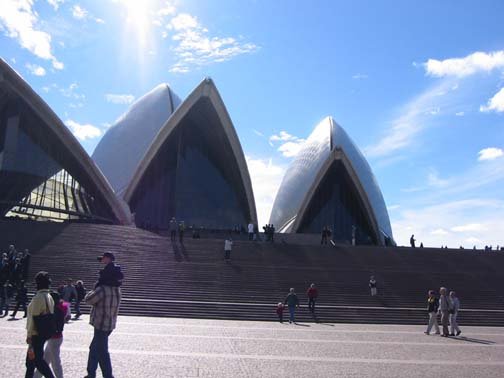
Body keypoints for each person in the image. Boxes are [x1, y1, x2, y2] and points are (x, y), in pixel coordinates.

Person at [84, 252, 122, 378]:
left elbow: (88, 300)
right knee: (94, 348)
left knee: (102, 352)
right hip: (110, 324)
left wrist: (94, 288)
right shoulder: (117, 289)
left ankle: (108, 375)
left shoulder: (102, 289)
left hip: (100, 324)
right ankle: (91, 373)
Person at [25, 271, 55, 378]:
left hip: (36, 333)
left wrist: (29, 335)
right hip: (43, 332)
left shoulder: (38, 298)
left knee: (37, 361)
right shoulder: (49, 296)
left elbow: (33, 318)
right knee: (30, 362)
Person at [34, 292, 69, 378]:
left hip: (54, 337)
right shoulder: (60, 308)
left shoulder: (55, 310)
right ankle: (36, 376)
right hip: (56, 337)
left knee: (55, 361)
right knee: (45, 359)